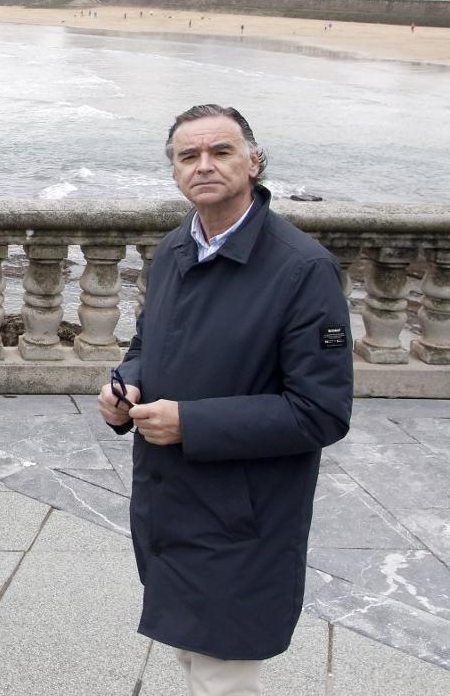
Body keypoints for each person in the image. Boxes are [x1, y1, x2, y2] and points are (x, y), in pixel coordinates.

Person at [98, 105, 353, 695]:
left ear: (254, 162)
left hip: (243, 516)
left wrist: (191, 422)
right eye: (189, 156)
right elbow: (146, 344)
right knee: (194, 661)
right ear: (174, 172)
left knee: (223, 678)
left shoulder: (303, 269)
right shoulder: (173, 251)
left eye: (221, 151)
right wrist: (126, 383)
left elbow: (322, 411)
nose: (204, 165)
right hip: (170, 504)